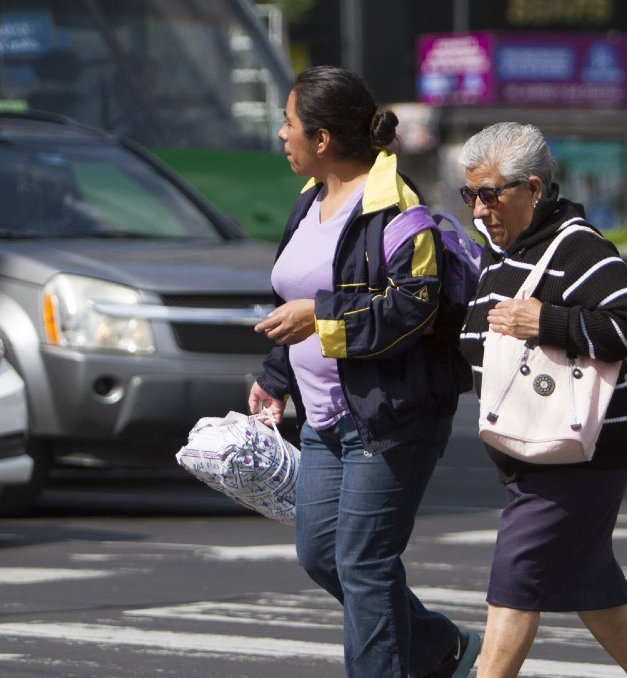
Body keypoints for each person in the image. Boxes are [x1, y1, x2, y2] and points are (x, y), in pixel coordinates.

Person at [248, 65, 480, 678]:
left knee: (364, 563)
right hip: (323, 417)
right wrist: (276, 375)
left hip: (391, 416)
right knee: (320, 553)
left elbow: (413, 307)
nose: (280, 134)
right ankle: (439, 648)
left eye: (289, 122)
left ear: (322, 138)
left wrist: (320, 322)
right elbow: (293, 299)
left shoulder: (395, 208)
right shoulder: (309, 202)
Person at [456, 122, 627, 678]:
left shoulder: (577, 247)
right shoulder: (500, 252)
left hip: (579, 449)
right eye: (469, 195)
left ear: (533, 189)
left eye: (489, 194)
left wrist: (546, 321)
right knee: (591, 586)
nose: (479, 210)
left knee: (515, 576)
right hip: (532, 449)